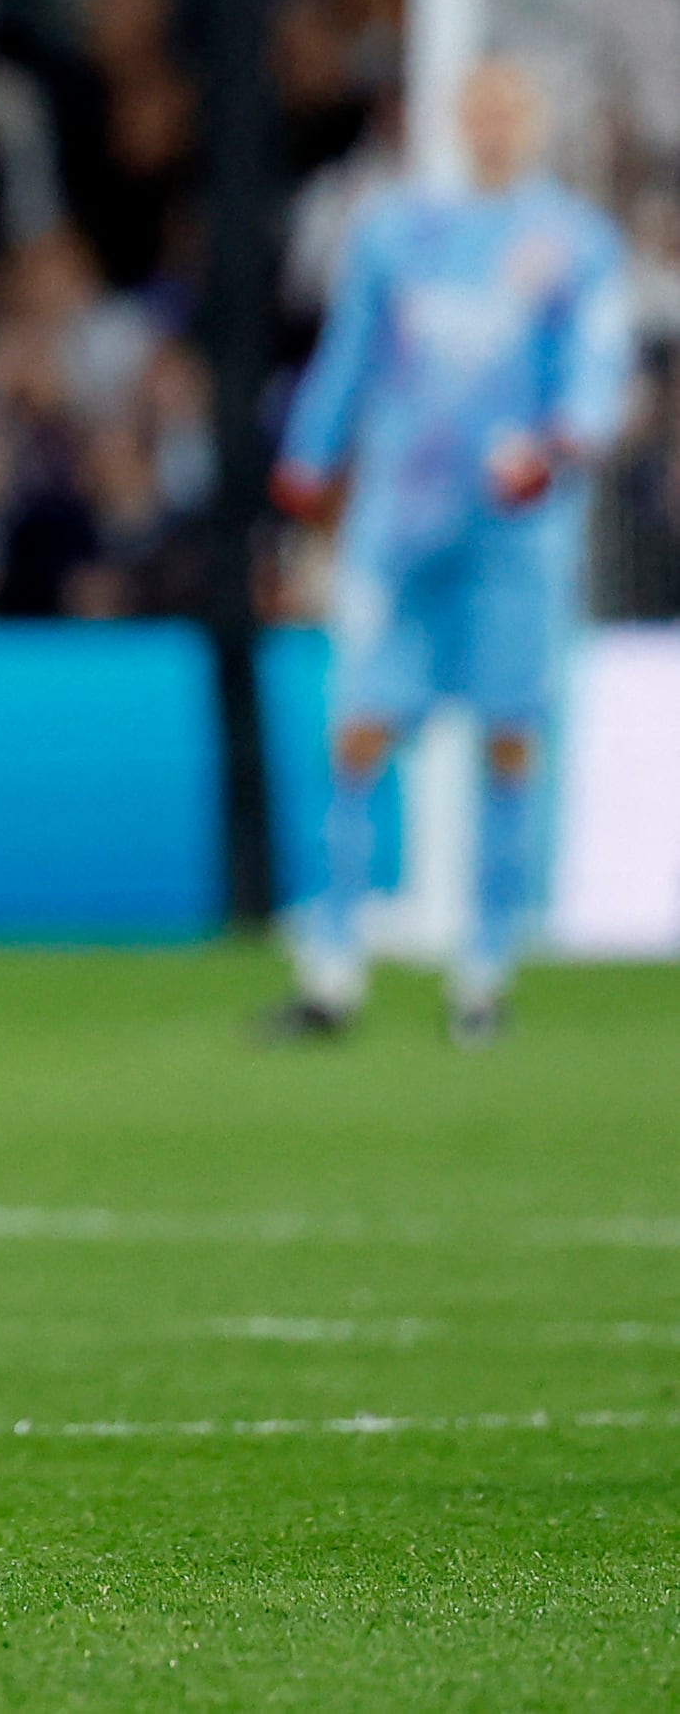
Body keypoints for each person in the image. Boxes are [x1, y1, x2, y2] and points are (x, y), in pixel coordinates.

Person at [267, 56, 630, 1048]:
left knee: (510, 740)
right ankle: (332, 967)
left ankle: (482, 973)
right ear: (455, 120)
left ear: (536, 123)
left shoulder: (574, 245)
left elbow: (596, 376)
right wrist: (307, 452)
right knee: (356, 733)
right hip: (401, 520)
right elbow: (348, 354)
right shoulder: (398, 233)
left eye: (510, 108)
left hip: (514, 535)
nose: (492, 125)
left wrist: (556, 447)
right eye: (478, 108)